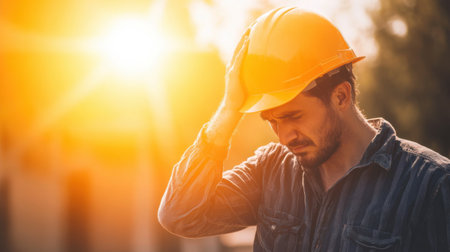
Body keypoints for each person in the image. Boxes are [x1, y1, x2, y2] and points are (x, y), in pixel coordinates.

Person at [158, 6, 450, 251]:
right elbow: (180, 215)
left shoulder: (430, 185)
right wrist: (229, 109)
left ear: (341, 96)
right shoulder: (271, 170)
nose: (284, 137)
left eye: (293, 116)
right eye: (272, 121)